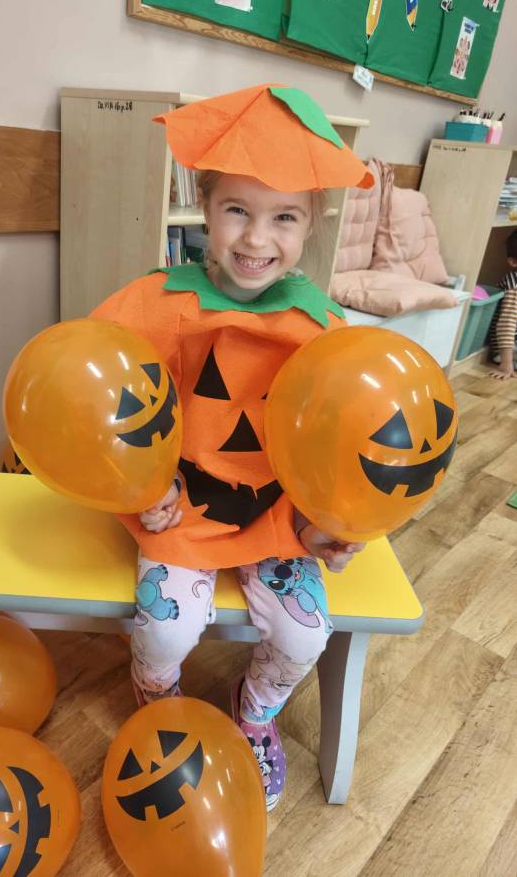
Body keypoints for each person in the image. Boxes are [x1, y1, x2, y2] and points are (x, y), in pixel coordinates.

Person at [91, 85, 374, 811]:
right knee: (165, 631)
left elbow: (344, 442)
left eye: (284, 217)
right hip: (182, 503)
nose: (256, 239)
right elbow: (99, 398)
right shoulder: (159, 306)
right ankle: (157, 701)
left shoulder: (322, 328)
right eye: (237, 211)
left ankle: (253, 716)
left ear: (311, 223)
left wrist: (329, 522)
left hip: (277, 514)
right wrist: (142, 486)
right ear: (204, 203)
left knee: (306, 634)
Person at [489, 229, 517, 380]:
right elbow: (507, 324)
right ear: (513, 262)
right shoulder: (514, 284)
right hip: (507, 350)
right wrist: (506, 363)